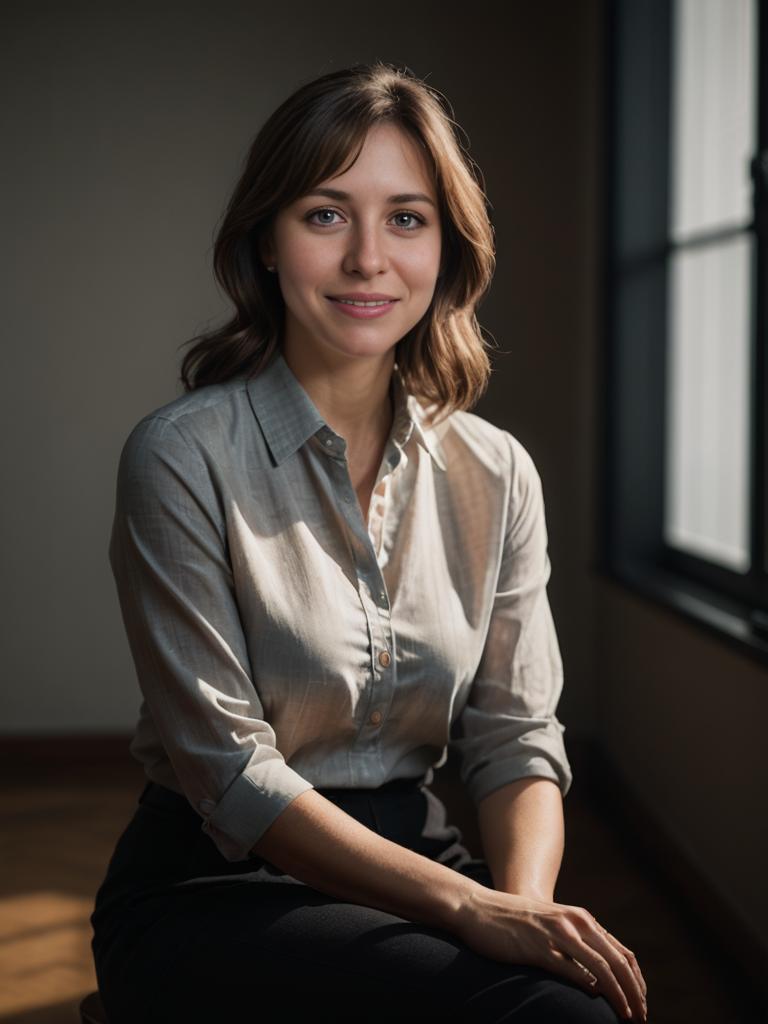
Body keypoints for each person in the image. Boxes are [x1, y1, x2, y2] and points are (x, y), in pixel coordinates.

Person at [89, 61, 648, 1023]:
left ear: (446, 246)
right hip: (217, 883)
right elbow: (228, 773)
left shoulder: (497, 471)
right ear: (265, 240)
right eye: (324, 214)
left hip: (423, 856)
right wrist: (472, 912)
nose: (367, 261)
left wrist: (521, 912)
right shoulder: (181, 456)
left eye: (406, 217)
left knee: (564, 1000)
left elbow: (516, 742)